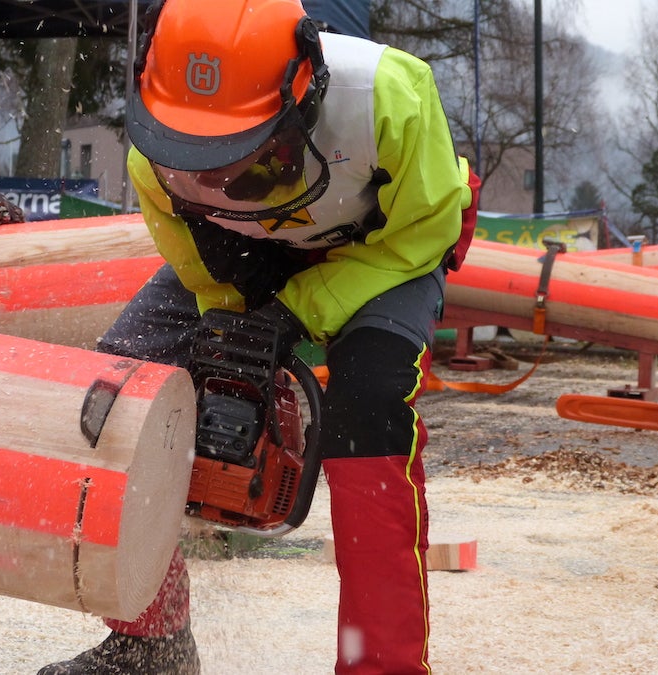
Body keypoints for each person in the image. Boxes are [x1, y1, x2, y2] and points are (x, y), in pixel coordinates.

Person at [39, 0, 477, 672]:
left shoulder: (390, 99)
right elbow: (198, 261)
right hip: (243, 248)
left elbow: (426, 232)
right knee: (118, 391)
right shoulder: (152, 159)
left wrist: (296, 313)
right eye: (192, 159)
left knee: (369, 403)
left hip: (383, 250)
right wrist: (230, 328)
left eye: (232, 157)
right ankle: (150, 642)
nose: (208, 177)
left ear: (302, 102)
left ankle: (381, 665)